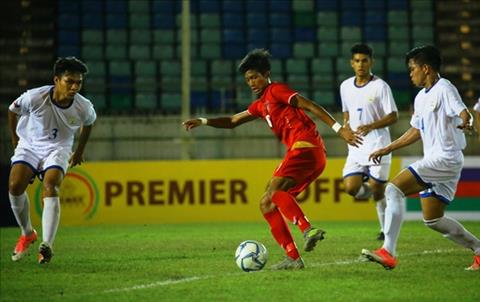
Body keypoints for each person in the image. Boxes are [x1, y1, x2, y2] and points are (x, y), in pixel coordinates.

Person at [183, 49, 362, 270]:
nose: (252, 82)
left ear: (266, 74)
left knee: (274, 189)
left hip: (306, 146)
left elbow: (309, 105)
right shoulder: (260, 105)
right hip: (309, 156)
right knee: (267, 202)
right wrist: (203, 121)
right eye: (248, 79)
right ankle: (293, 258)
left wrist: (339, 129)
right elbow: (232, 120)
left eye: (255, 76)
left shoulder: (276, 90)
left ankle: (308, 229)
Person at [361, 45, 480, 271]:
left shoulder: (445, 88)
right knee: (433, 219)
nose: (410, 73)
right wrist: (387, 148)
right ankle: (479, 250)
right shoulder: (420, 98)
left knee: (392, 189)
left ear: (426, 68)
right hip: (441, 161)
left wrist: (468, 121)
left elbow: (463, 111)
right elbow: (416, 131)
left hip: (445, 158)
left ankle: (388, 251)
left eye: (412, 69)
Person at [8, 57, 96, 264]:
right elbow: (13, 111)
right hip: (29, 144)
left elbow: (89, 123)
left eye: (79, 83)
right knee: (14, 185)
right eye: (70, 81)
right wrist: (15, 139)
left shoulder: (83, 106)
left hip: (59, 148)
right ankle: (27, 233)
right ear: (57, 80)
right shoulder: (35, 97)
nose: (75, 87)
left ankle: (46, 245)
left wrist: (79, 150)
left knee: (51, 185)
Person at [340, 44, 398, 241]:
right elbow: (346, 111)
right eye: (357, 61)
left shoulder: (380, 86)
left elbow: (393, 116)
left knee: (378, 191)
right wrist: (345, 126)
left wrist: (372, 125)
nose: (360, 64)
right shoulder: (345, 86)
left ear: (371, 62)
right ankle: (368, 182)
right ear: (351, 63)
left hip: (378, 146)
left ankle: (384, 231)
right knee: (350, 188)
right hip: (355, 147)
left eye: (364, 60)